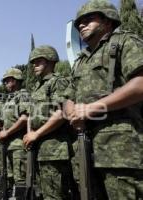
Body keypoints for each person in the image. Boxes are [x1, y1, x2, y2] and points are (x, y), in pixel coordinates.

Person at [64, 0, 143, 199]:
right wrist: (72, 111)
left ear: (108, 21)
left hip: (120, 150)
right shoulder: (81, 61)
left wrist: (92, 108)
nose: (81, 25)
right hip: (85, 149)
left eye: (89, 19)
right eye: (79, 22)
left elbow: (140, 84)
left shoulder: (125, 42)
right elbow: (67, 98)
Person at [23, 45, 76, 199]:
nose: (34, 65)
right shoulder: (37, 87)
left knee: (55, 195)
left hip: (54, 149)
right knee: (43, 193)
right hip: (39, 147)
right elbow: (30, 115)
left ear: (50, 61)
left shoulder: (57, 82)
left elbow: (61, 112)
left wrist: (36, 133)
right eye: (33, 62)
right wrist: (29, 133)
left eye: (38, 61)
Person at [0, 68, 31, 199]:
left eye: (7, 80)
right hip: (9, 145)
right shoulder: (10, 99)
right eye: (4, 81)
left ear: (15, 80)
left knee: (21, 181)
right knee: (11, 179)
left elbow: (24, 118)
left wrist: (7, 133)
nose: (5, 83)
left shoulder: (23, 95)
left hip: (19, 146)